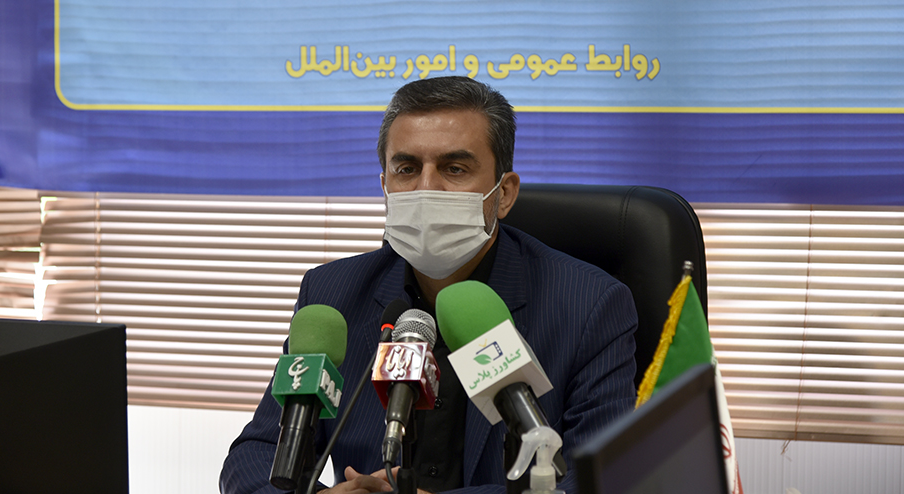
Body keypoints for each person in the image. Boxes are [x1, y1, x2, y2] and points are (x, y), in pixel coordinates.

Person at [220, 76, 637, 494]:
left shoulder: (589, 305)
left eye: (455, 169)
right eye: (406, 169)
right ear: (385, 187)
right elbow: (255, 455)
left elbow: (601, 477)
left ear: (504, 194)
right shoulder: (333, 294)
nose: (426, 188)